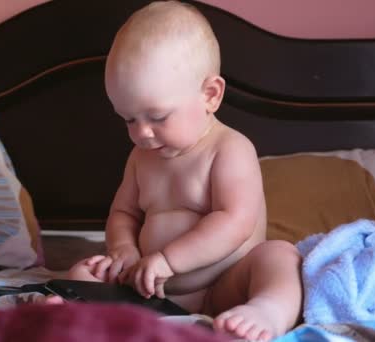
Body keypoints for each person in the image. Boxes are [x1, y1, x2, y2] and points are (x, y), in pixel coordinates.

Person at [65, 1, 302, 340]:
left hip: (223, 288)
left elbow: (235, 221)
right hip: (149, 291)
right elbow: (123, 213)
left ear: (210, 95)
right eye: (129, 119)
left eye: (158, 117)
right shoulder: (140, 157)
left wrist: (168, 261)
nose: (142, 133)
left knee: (280, 256)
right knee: (81, 273)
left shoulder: (229, 150)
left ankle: (266, 311)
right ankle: (108, 319)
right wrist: (123, 251)